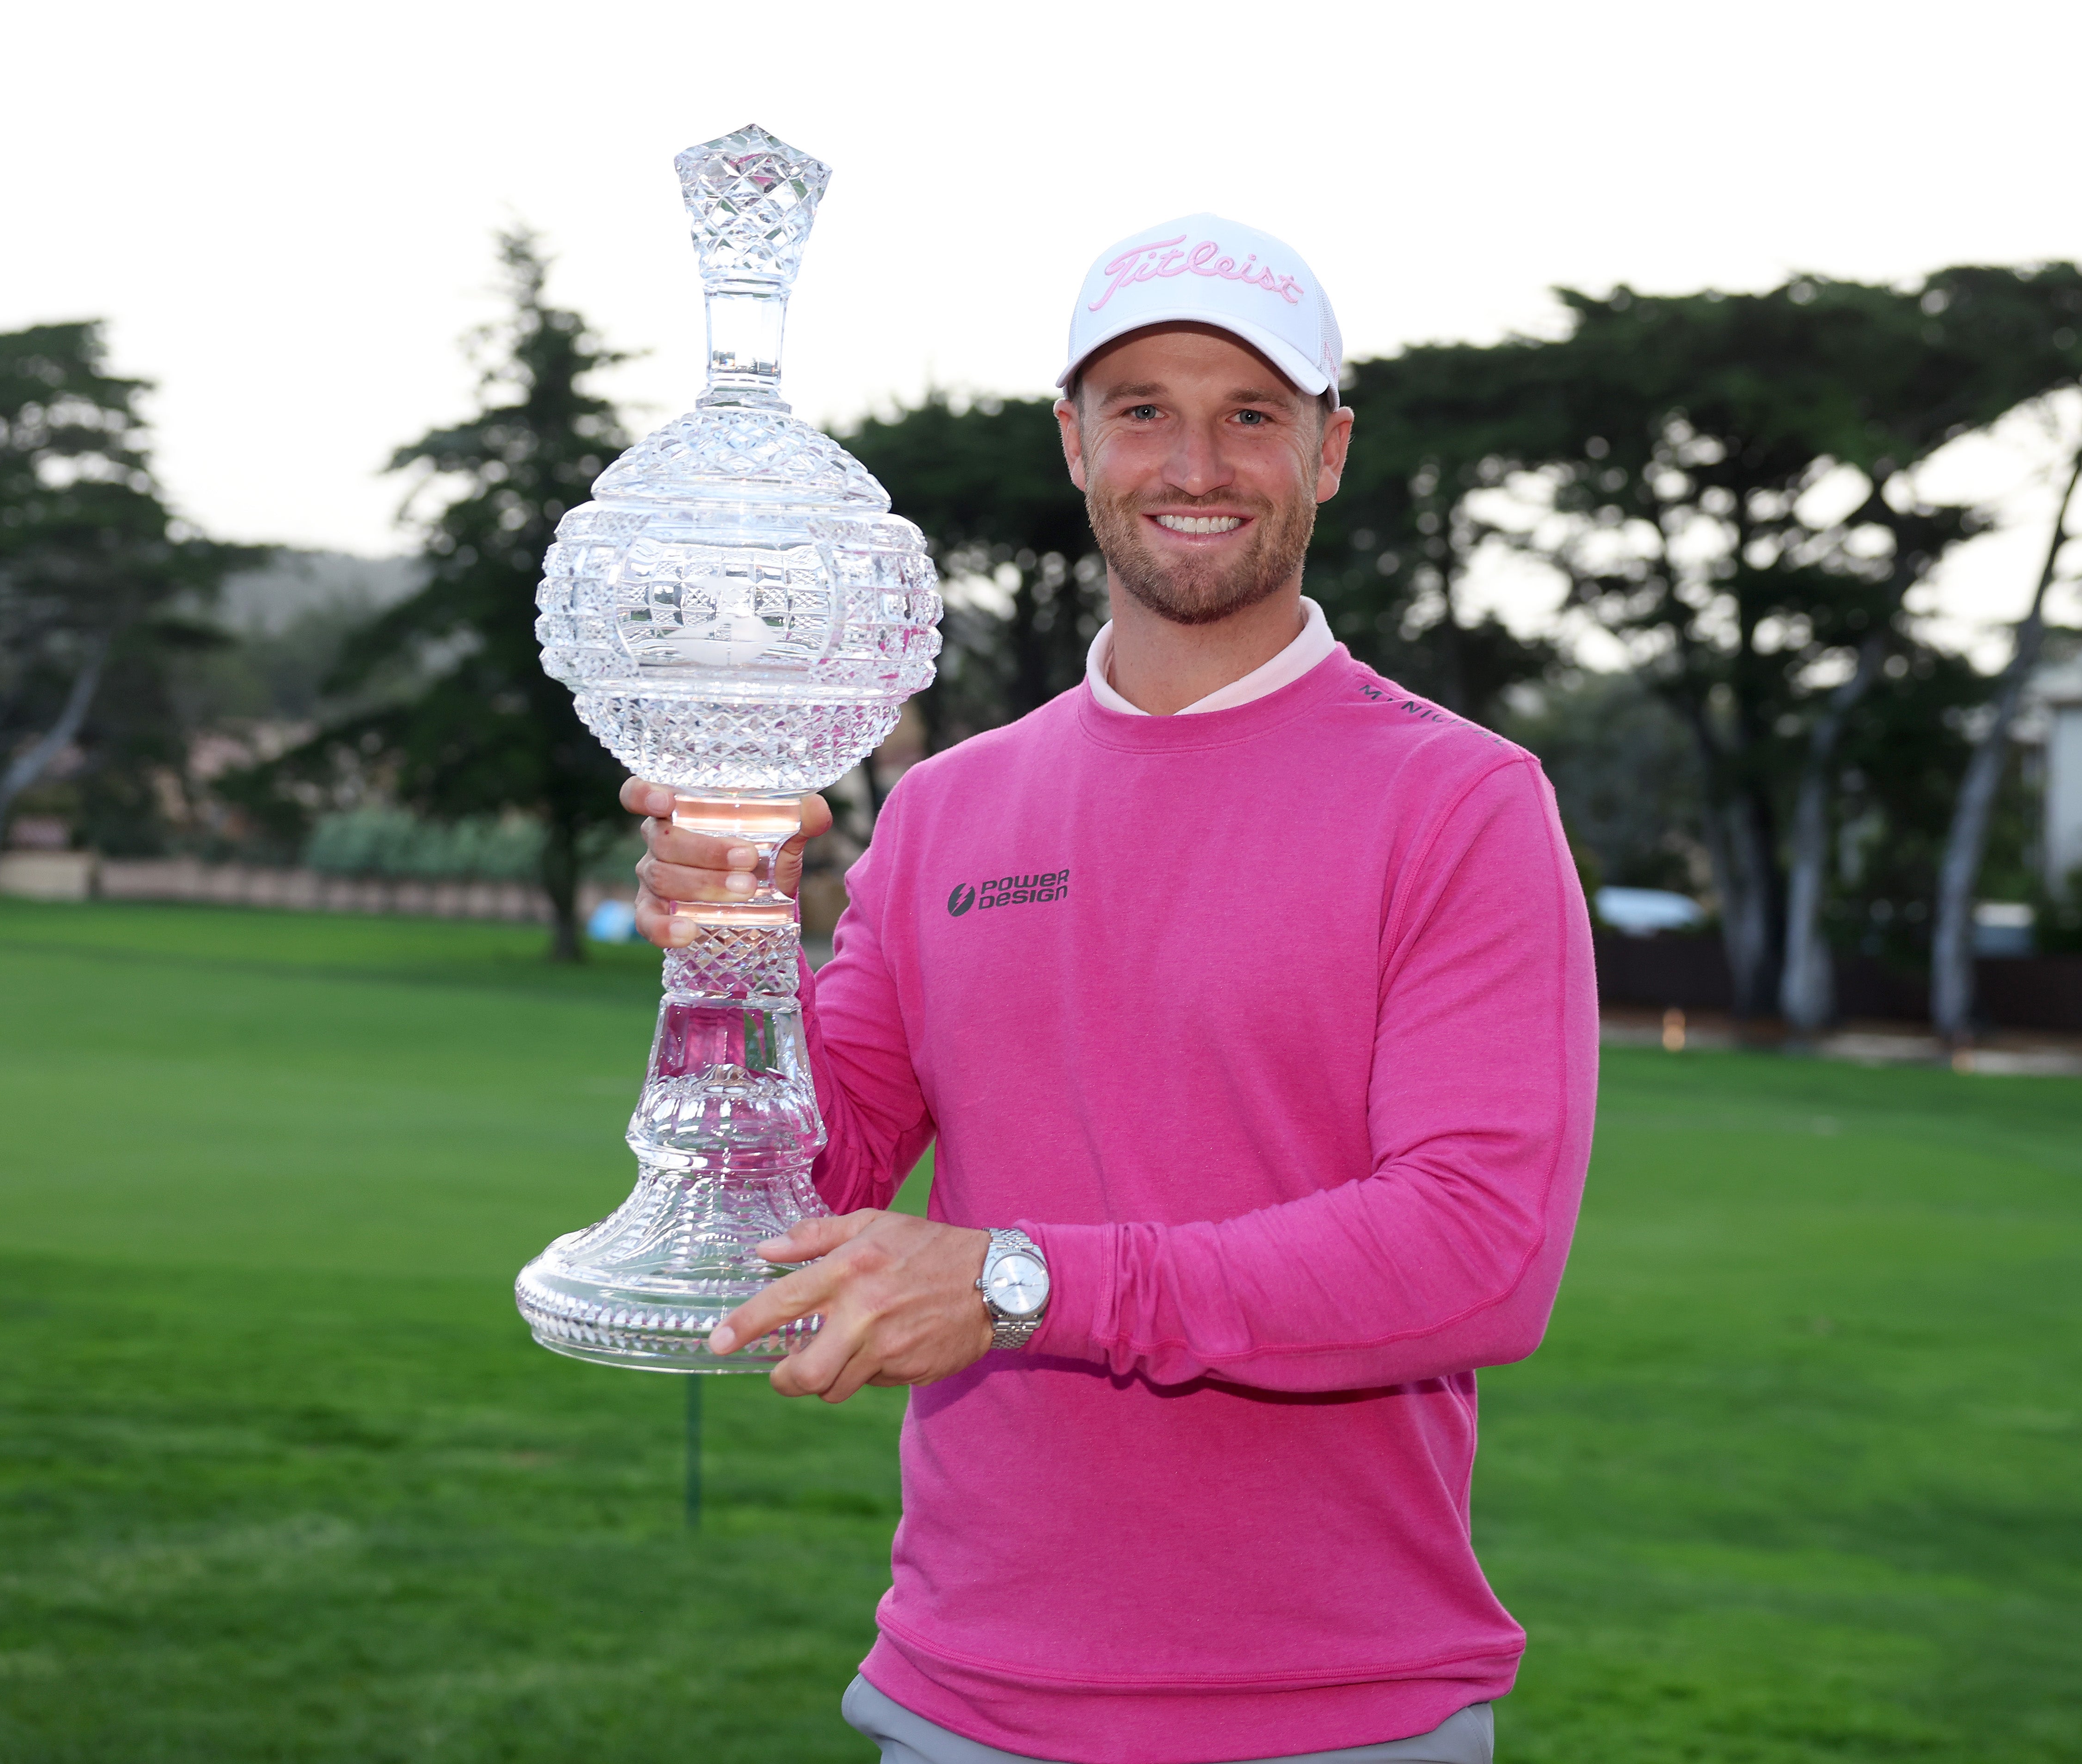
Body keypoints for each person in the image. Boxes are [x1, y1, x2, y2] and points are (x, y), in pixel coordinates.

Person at [621, 214, 1598, 1764]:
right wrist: (742, 952)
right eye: (1143, 409)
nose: (1195, 461)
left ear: (1330, 451)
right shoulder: (948, 808)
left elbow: (1478, 1256)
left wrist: (1021, 1282)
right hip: (964, 1701)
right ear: (1074, 442)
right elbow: (811, 1185)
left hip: (1329, 1715)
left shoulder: (1460, 800)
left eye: (1252, 414)